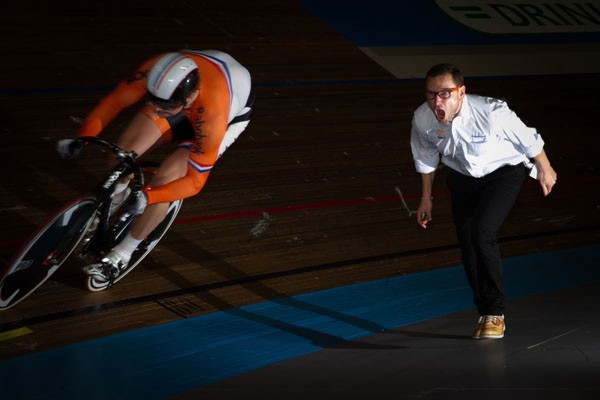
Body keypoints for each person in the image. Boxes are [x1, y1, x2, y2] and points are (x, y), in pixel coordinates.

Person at [57, 49, 254, 289]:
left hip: (222, 118)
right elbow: (114, 101)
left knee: (168, 181)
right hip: (183, 99)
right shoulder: (156, 72)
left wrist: (149, 197)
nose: (156, 108)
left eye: (163, 105)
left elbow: (195, 182)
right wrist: (83, 138)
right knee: (122, 157)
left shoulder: (212, 114)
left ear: (190, 96)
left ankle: (123, 253)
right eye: (153, 101)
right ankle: (116, 199)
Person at [409, 63, 557, 339]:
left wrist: (545, 168)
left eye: (445, 94)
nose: (436, 101)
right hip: (463, 177)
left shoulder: (492, 112)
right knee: (467, 243)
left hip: (503, 172)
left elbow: (528, 139)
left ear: (461, 92)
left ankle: (495, 313)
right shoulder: (422, 118)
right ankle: (484, 311)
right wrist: (426, 199)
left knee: (482, 232)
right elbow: (426, 158)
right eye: (431, 94)